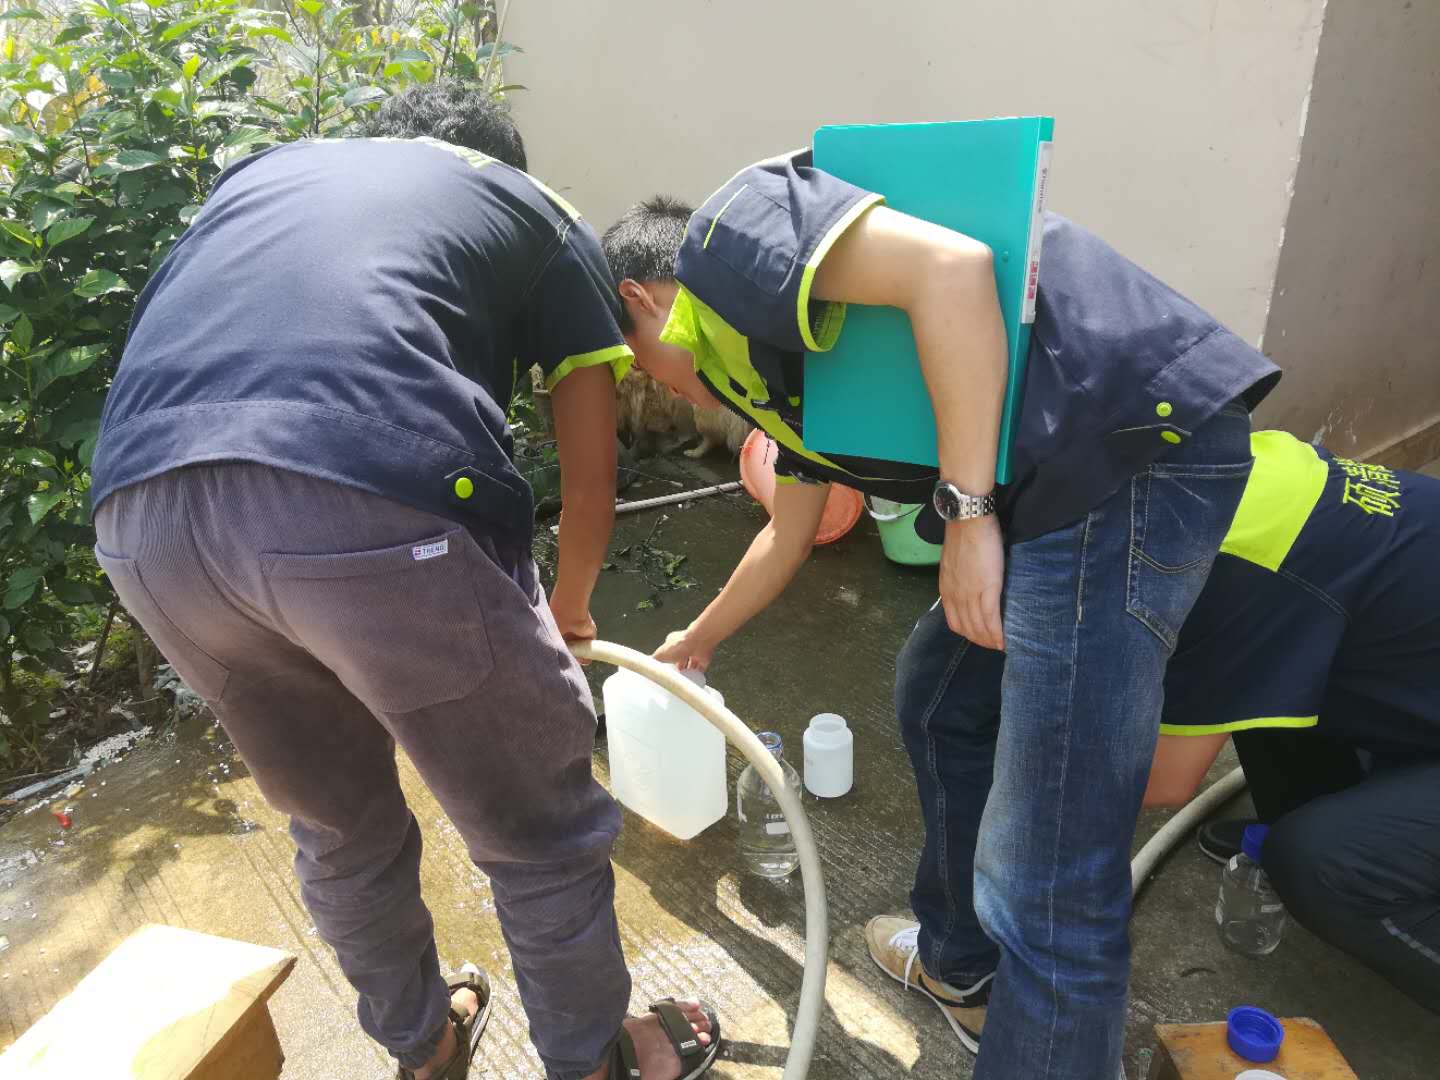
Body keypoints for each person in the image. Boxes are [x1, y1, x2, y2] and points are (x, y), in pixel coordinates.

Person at [601, 151, 1279, 1079]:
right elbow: (788, 534)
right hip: (1055, 481)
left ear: (640, 298)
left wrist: (966, 516)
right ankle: (964, 968)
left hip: (1123, 452)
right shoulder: (765, 368)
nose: (650, 385)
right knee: (940, 693)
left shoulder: (733, 233)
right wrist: (699, 641)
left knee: (1046, 882)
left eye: (629, 360)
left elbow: (951, 270)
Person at [90, 82, 720, 1080]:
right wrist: (565, 612)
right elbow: (590, 480)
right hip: (360, 497)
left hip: (142, 521)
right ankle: (596, 1062)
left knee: (336, 821)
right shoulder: (531, 208)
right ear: (499, 165)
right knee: (539, 829)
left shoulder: (264, 177)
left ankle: (423, 1047)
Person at [1142, 430, 1440, 1016]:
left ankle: (1361, 844)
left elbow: (1162, 781)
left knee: (1319, 862)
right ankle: (1336, 815)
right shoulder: (1239, 467)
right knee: (1260, 683)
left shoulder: (1242, 566)